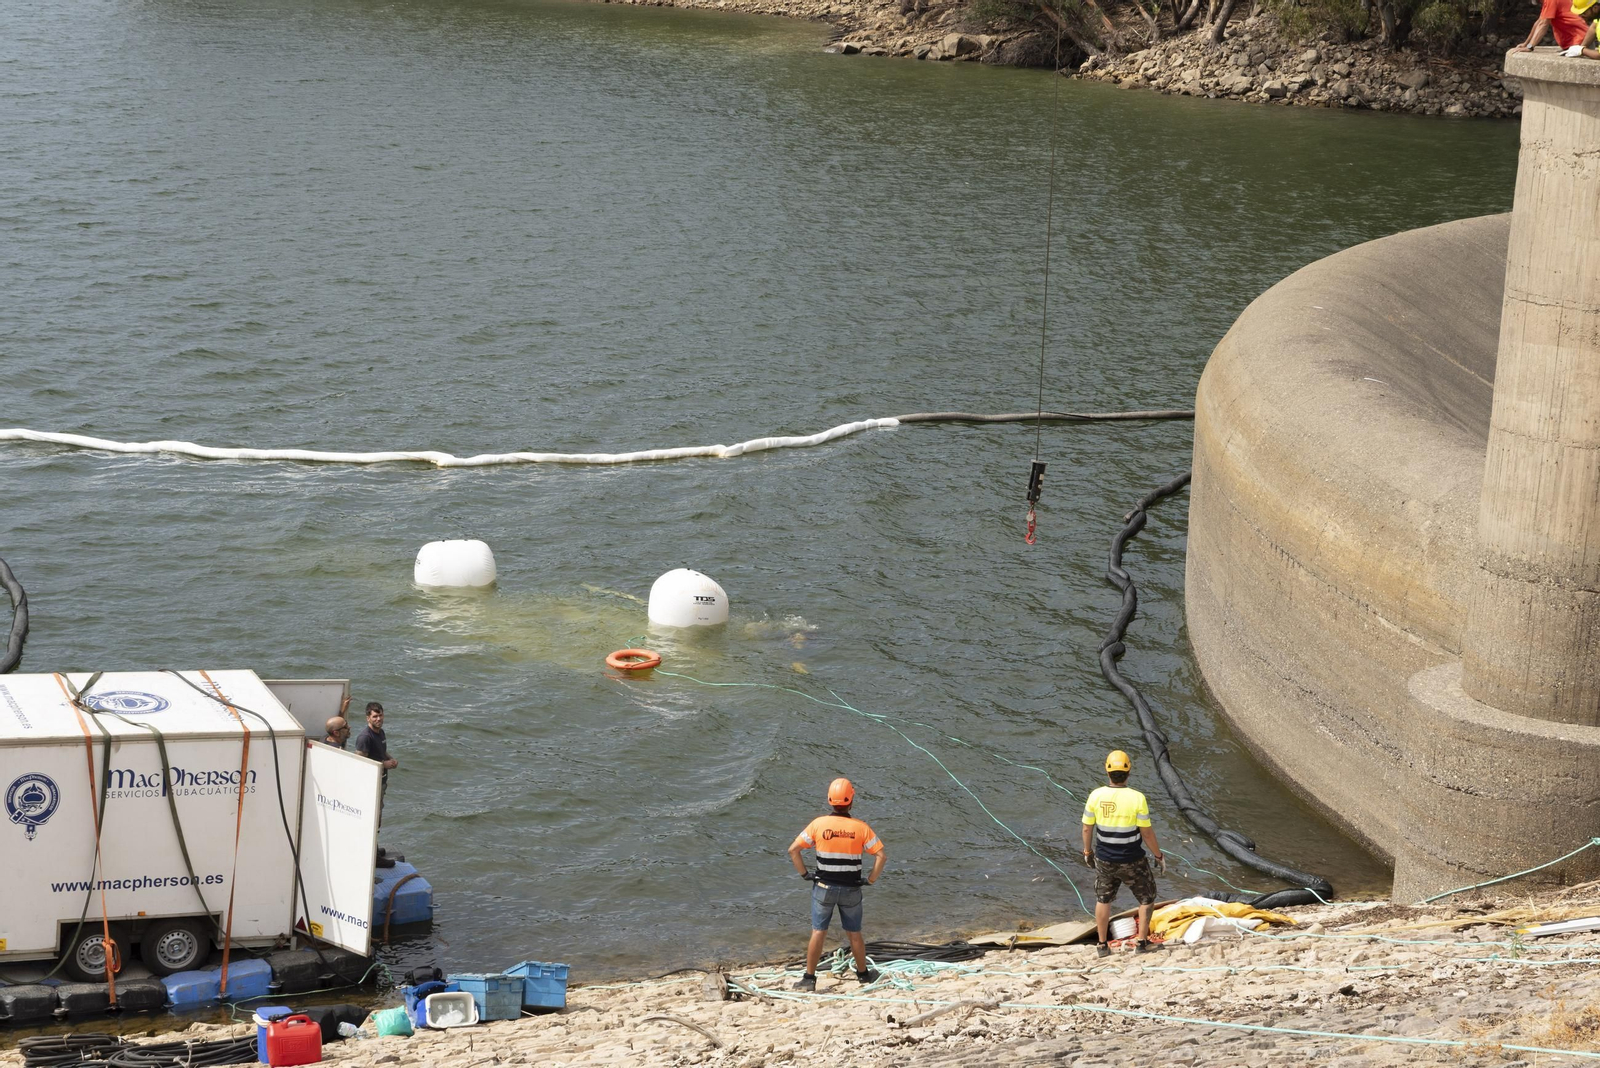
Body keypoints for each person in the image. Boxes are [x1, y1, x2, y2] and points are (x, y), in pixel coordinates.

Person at [787, 777, 886, 992]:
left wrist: (805, 874)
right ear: (851, 801)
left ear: (830, 800)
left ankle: (809, 979)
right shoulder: (861, 827)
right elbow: (881, 856)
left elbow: (793, 850)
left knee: (818, 932)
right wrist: (870, 880)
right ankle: (863, 975)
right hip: (851, 889)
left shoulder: (818, 824)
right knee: (854, 933)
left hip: (823, 888)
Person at [1082, 750, 1166, 957]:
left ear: (1107, 771)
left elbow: (1086, 828)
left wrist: (1087, 851)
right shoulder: (1137, 798)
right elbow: (1146, 833)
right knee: (1147, 897)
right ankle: (1141, 943)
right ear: (1129, 771)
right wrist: (1158, 855)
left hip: (1104, 859)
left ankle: (1102, 945)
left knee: (1103, 899)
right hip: (1132, 859)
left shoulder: (1095, 795)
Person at [353, 701, 399, 817]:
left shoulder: (381, 732)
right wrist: (384, 764)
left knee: (378, 811)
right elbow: (360, 762)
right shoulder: (365, 737)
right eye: (375, 716)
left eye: (380, 715)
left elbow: (381, 751)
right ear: (368, 718)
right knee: (371, 814)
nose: (379, 719)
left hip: (381, 780)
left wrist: (391, 759)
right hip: (370, 783)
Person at [1513, 0, 1589, 52]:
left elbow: (1544, 24)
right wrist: (1526, 44)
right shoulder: (1548, 2)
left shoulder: (1550, 1)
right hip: (1575, 42)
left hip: (1579, 41)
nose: (1541, 3)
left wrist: (1530, 47)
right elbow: (1539, 22)